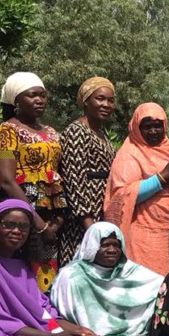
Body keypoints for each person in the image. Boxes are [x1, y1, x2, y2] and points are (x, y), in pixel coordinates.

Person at [0, 199, 100, 336]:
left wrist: (76, 331)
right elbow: (1, 322)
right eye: (9, 224)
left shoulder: (23, 268)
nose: (17, 231)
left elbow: (43, 314)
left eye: (24, 226)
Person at [50, 222, 163, 336]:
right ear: (92, 245)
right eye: (105, 245)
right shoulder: (72, 276)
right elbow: (62, 318)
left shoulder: (130, 273)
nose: (112, 250)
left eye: (116, 245)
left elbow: (163, 286)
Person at [0, 72, 67, 291]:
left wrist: (55, 222)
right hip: (21, 210)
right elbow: (7, 180)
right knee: (19, 271)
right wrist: (38, 223)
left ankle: (45, 319)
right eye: (32, 95)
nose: (39, 100)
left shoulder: (53, 133)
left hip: (52, 210)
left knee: (46, 275)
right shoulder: (6, 132)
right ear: (16, 101)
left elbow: (57, 174)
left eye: (43, 95)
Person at [104, 103, 169, 276]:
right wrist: (163, 176)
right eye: (147, 126)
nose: (153, 131)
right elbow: (121, 195)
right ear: (136, 128)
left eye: (158, 126)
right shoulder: (129, 153)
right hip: (144, 231)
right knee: (147, 280)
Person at [60, 76, 116, 268]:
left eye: (110, 100)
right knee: (81, 267)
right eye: (100, 99)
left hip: (101, 210)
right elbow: (74, 181)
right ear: (85, 101)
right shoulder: (77, 131)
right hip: (83, 218)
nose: (106, 104)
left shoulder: (102, 134)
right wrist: (89, 226)